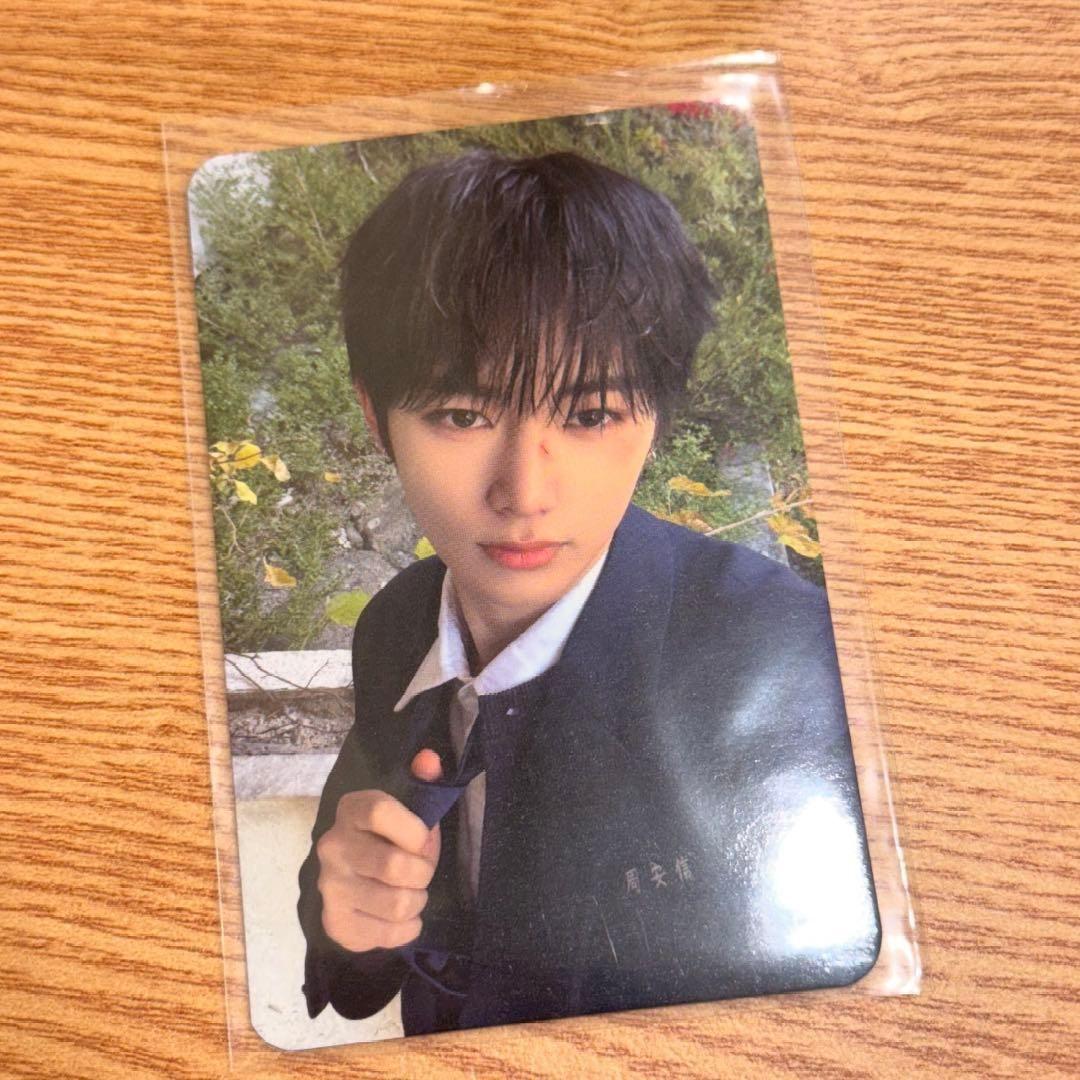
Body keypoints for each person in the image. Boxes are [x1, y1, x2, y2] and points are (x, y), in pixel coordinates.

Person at [297, 149, 880, 1036]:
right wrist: (348, 914)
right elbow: (357, 940)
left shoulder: (789, 656)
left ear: (656, 419)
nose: (524, 493)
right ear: (378, 417)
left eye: (590, 415)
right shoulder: (398, 623)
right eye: (463, 415)